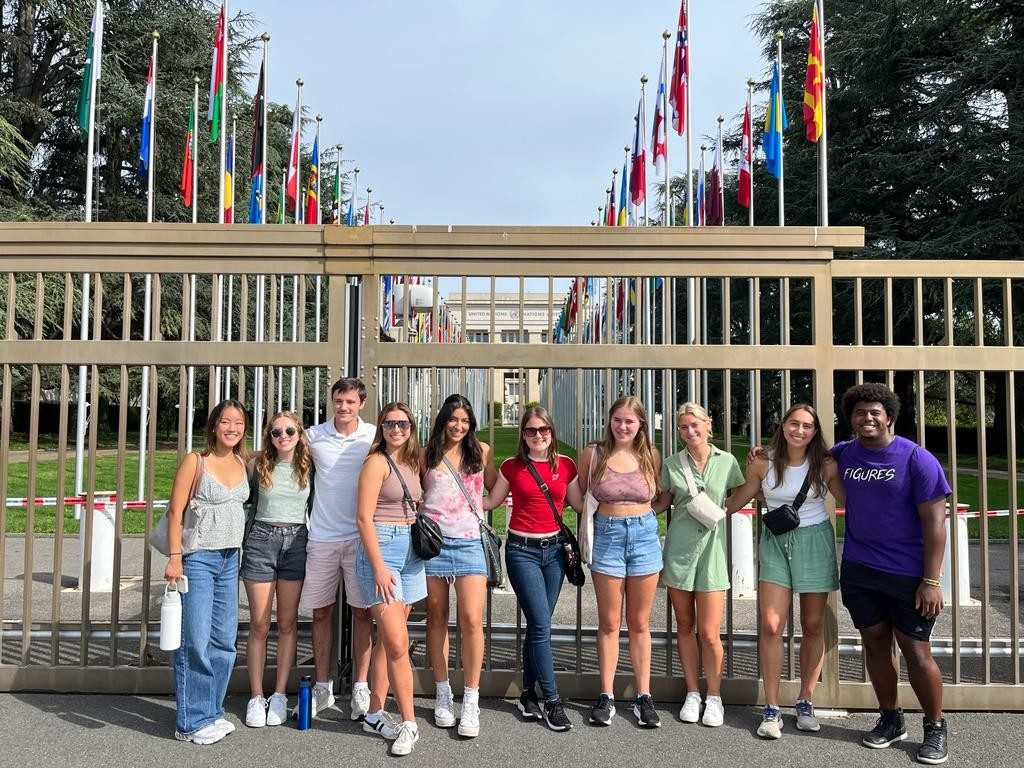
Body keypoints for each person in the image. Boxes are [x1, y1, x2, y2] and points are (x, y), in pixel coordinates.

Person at [834, 383, 950, 764]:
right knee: (876, 646)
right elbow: (802, 453)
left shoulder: (917, 459)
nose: (867, 418)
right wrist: (763, 453)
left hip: (908, 575)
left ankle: (934, 726)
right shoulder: (844, 454)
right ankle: (891, 718)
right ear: (851, 419)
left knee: (916, 652)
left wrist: (931, 581)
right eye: (859, 413)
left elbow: (935, 522)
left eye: (875, 412)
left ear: (889, 416)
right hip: (860, 571)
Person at [725, 404, 843, 739]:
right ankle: (772, 708)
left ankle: (805, 699)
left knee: (813, 625)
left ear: (815, 431)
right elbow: (737, 500)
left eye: (808, 426)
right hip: (776, 543)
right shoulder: (763, 461)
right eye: (795, 423)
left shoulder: (827, 464)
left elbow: (850, 498)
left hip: (814, 540)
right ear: (783, 425)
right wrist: (701, 499)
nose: (800, 431)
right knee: (772, 624)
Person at [483, 406, 576, 731]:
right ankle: (552, 700)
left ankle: (526, 694)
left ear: (552, 432)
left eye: (543, 430)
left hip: (554, 554)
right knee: (540, 625)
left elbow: (581, 503)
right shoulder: (512, 467)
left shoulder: (566, 466)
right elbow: (490, 502)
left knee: (540, 625)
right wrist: (451, 493)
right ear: (523, 435)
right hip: (522, 552)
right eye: (531, 430)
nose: (538, 435)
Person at [164, 399, 250, 745]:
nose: (232, 428)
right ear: (214, 425)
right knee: (195, 640)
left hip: (231, 558)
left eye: (239, 423)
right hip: (198, 558)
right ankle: (190, 722)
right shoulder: (195, 462)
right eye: (226, 422)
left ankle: (211, 711)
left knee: (224, 640)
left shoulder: (243, 462)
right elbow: (175, 511)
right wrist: (174, 557)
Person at [576, 395, 663, 729]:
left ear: (640, 424)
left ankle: (644, 696)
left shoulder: (649, 455)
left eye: (630, 421)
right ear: (609, 421)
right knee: (610, 622)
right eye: (617, 419)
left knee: (640, 623)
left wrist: (642, 519)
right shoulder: (594, 453)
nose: (623, 426)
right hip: (608, 537)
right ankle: (607, 695)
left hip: (643, 535)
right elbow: (581, 493)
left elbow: (661, 495)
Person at [300, 378, 385, 720]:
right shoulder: (314, 435)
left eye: (350, 402)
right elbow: (281, 457)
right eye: (339, 401)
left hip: (360, 538)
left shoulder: (374, 436)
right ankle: (323, 687)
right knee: (321, 613)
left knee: (363, 613)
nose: (344, 407)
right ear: (332, 401)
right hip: (321, 537)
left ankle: (361, 687)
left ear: (361, 403)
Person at [655, 402, 743, 728]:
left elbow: (741, 492)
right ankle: (693, 692)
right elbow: (662, 502)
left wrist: (721, 511)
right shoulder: (671, 464)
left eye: (695, 425)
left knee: (708, 632)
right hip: (679, 548)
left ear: (708, 424)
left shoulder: (727, 462)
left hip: (712, 552)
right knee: (684, 626)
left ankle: (714, 696)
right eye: (683, 427)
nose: (690, 432)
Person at [421, 394, 499, 738]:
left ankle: (471, 697)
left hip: (469, 542)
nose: (458, 426)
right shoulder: (427, 454)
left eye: (465, 420)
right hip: (434, 543)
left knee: (470, 620)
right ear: (443, 420)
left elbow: (495, 487)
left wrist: (482, 508)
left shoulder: (480, 451)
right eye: (453, 419)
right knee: (436, 616)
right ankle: (442, 692)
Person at [355, 403, 427, 756]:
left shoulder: (414, 461)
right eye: (389, 423)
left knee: (387, 639)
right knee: (399, 643)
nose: (396, 429)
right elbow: (363, 519)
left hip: (411, 553)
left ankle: (374, 712)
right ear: (380, 428)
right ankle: (410, 722)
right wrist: (380, 566)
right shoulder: (376, 462)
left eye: (402, 423)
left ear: (411, 427)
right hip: (382, 551)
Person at [241, 412, 312, 728]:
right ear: (268, 436)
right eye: (276, 432)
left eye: (290, 431)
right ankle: (256, 695)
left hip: (296, 542)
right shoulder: (257, 466)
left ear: (299, 434)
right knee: (258, 623)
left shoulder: (309, 467)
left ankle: (280, 693)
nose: (283, 436)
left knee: (287, 623)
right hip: (261, 540)